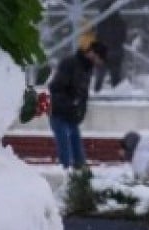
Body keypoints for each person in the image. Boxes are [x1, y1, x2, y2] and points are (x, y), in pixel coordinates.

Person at [47, 41, 106, 169]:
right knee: (65, 151)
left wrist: (80, 112)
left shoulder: (87, 68)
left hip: (72, 115)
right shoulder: (70, 63)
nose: (99, 63)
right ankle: (66, 173)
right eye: (99, 58)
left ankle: (79, 174)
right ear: (92, 53)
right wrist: (70, 103)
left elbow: (83, 94)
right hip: (59, 113)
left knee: (78, 154)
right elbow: (56, 87)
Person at [93, 10, 128, 91]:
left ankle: (96, 91)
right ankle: (116, 92)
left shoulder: (101, 23)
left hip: (103, 51)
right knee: (115, 75)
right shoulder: (120, 22)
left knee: (100, 75)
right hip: (116, 51)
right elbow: (123, 37)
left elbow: (97, 37)